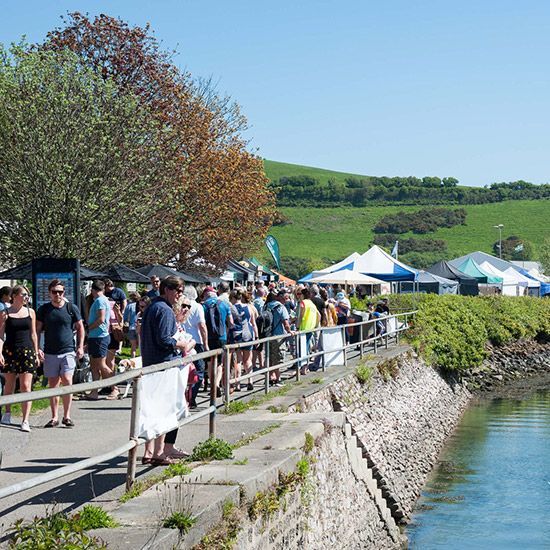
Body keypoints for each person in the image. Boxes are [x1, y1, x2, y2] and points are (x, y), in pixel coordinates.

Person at [140, 276, 194, 465]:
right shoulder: (164, 310)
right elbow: (164, 340)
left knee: (152, 411)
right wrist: (180, 344)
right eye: (177, 290)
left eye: (181, 291)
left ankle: (150, 452)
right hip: (162, 365)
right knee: (163, 412)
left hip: (151, 363)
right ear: (167, 289)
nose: (180, 295)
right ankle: (158, 453)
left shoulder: (152, 306)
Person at [36, 279, 85, 428]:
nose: (57, 294)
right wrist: (37, 348)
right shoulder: (44, 309)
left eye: (60, 292)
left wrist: (80, 346)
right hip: (50, 352)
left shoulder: (71, 308)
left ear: (64, 293)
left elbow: (80, 327)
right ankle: (54, 416)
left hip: (68, 351)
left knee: (67, 381)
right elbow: (37, 330)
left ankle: (67, 415)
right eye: (54, 292)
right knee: (53, 385)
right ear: (49, 293)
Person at [0, 285, 40, 431]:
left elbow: (34, 334)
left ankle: (25, 420)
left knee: (26, 386)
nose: (26, 297)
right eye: (23, 294)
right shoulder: (5, 313)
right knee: (9, 385)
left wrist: (36, 353)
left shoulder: (31, 312)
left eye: (27, 295)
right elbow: (0, 335)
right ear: (14, 296)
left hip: (27, 351)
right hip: (10, 351)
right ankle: (8, 412)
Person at [86, 280, 118, 400]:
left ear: (93, 290)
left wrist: (88, 328)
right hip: (95, 337)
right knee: (94, 366)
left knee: (102, 364)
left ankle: (114, 388)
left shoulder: (100, 301)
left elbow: (101, 319)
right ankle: (94, 391)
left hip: (100, 336)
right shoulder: (102, 300)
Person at [202, 287, 233, 397]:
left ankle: (212, 384)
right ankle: (217, 384)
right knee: (219, 363)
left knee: (210, 363)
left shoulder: (204, 305)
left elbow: (202, 323)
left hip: (209, 337)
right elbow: (231, 322)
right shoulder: (224, 304)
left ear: (206, 295)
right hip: (222, 336)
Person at [183, 285, 208, 408]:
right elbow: (202, 326)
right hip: (196, 341)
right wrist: (206, 343)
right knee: (199, 370)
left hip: (182, 341)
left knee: (183, 371)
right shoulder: (198, 307)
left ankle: (185, 396)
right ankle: (191, 396)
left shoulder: (180, 305)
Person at [229, 289, 258, 391]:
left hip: (237, 336)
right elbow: (253, 323)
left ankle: (237, 384)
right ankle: (250, 381)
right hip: (248, 335)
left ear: (232, 298)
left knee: (238, 361)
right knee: (248, 360)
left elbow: (230, 323)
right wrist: (257, 336)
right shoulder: (249, 308)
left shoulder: (231, 308)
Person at [265, 290, 292, 385]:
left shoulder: (266, 306)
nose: (287, 300)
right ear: (279, 297)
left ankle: (270, 377)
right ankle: (278, 378)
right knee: (278, 358)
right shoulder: (281, 307)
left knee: (269, 357)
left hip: (268, 335)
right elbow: (286, 323)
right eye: (286, 298)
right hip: (278, 336)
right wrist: (290, 332)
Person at [296, 287, 320, 375]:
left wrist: (297, 326)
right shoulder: (312, 304)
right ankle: (305, 368)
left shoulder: (303, 303)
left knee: (301, 349)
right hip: (310, 328)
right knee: (306, 349)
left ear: (303, 295)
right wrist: (316, 325)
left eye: (299, 294)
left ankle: (300, 369)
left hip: (303, 328)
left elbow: (301, 315)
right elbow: (319, 315)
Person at [123, 292, 140, 358]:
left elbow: (125, 318)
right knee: (140, 346)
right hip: (139, 327)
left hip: (131, 328)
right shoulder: (140, 305)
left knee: (133, 346)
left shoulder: (129, 306)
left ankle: (133, 358)